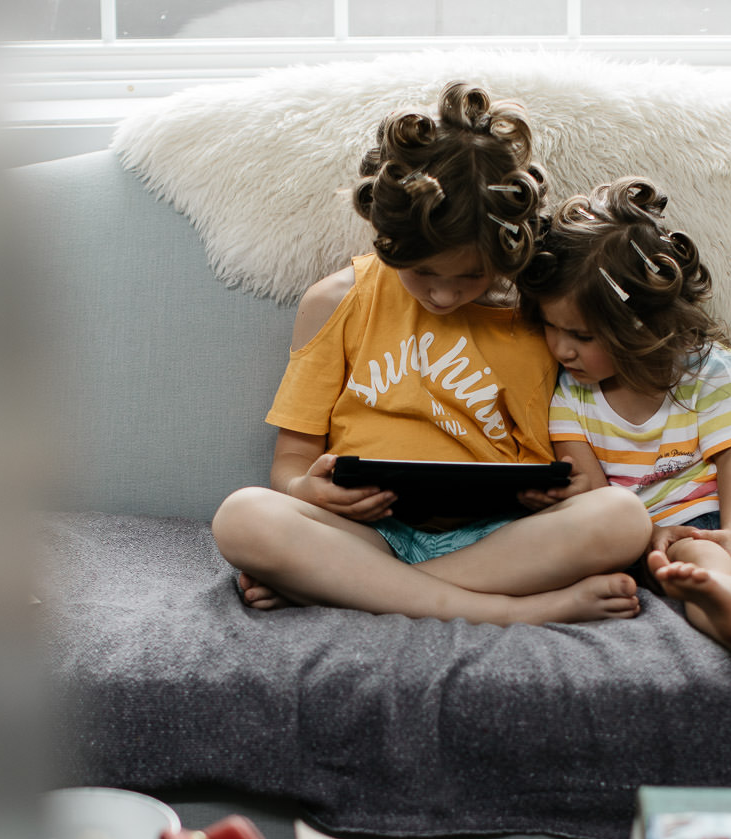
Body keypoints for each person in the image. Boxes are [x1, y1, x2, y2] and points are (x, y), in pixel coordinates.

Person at [210, 82, 651, 626]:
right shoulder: (336, 301)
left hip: (498, 539)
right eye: (423, 273)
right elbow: (291, 464)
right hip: (367, 535)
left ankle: (346, 588)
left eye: (471, 275)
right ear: (386, 237)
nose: (443, 295)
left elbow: (570, 453)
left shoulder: (540, 315)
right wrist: (309, 490)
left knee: (622, 516)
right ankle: (505, 610)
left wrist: (567, 490)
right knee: (243, 516)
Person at [518, 178, 731, 685]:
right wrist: (657, 537)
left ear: (639, 326)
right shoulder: (571, 395)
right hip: (671, 529)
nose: (561, 349)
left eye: (581, 335)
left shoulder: (706, 370)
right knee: (700, 563)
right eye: (550, 327)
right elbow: (595, 496)